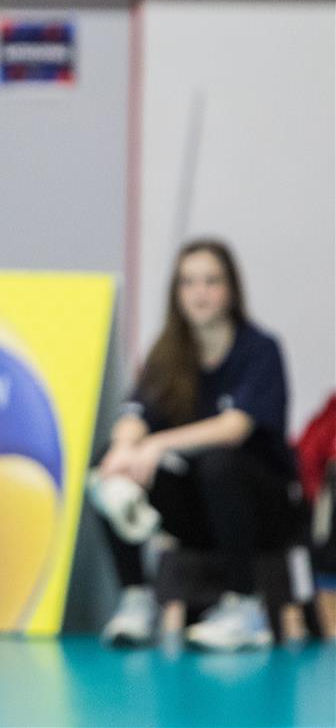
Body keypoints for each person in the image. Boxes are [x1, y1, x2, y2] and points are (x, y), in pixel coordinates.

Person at [93, 239, 296, 651]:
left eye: (211, 281)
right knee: (108, 466)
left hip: (263, 511)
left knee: (220, 464)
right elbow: (136, 413)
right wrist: (123, 449)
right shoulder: (169, 352)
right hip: (200, 513)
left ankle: (244, 607)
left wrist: (155, 445)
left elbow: (234, 427)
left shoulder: (259, 349)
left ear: (231, 289)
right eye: (188, 282)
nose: (199, 293)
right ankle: (136, 600)